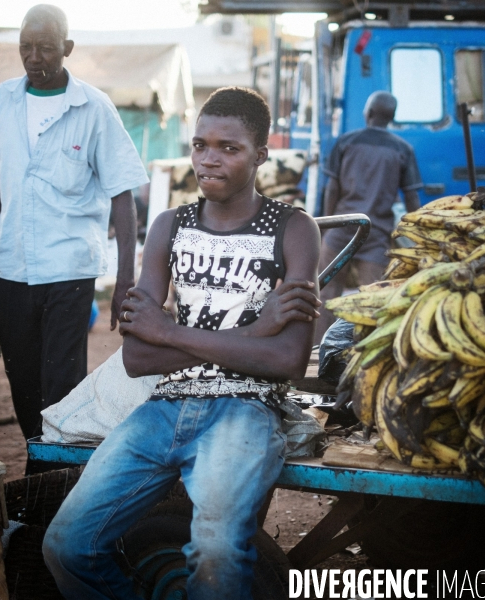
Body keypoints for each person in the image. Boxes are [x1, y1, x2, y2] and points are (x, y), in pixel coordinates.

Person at [42, 87, 322, 600]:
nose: (208, 160)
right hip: (163, 408)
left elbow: (286, 360)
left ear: (260, 154)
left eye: (229, 148)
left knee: (216, 556)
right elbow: (137, 357)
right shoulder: (170, 225)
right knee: (66, 546)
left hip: (245, 410)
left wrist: (168, 330)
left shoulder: (293, 228)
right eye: (199, 144)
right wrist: (252, 333)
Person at [0, 4, 148, 450]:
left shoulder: (93, 108)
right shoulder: (2, 101)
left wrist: (126, 275)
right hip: (13, 266)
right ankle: (42, 464)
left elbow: (122, 193)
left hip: (70, 268)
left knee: (62, 383)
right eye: (25, 48)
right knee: (22, 382)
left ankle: (48, 489)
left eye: (46, 48)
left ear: (66, 49)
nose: (34, 58)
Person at [315, 91, 423, 342]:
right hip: (376, 233)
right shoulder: (403, 149)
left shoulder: (346, 142)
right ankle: (367, 350)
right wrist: (418, 238)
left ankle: (315, 352)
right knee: (374, 299)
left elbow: (331, 188)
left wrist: (325, 225)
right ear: (392, 116)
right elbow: (412, 199)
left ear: (370, 113)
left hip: (341, 229)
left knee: (326, 294)